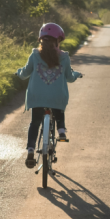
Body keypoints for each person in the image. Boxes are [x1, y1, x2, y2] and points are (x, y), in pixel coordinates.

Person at [16, 23, 82, 169]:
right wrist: (77, 74)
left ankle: (31, 150)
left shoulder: (34, 55)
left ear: (41, 40)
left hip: (37, 97)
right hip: (57, 97)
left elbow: (24, 74)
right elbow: (70, 77)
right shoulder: (64, 57)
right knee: (57, 106)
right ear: (58, 41)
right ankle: (61, 130)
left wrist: (18, 72)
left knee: (35, 123)